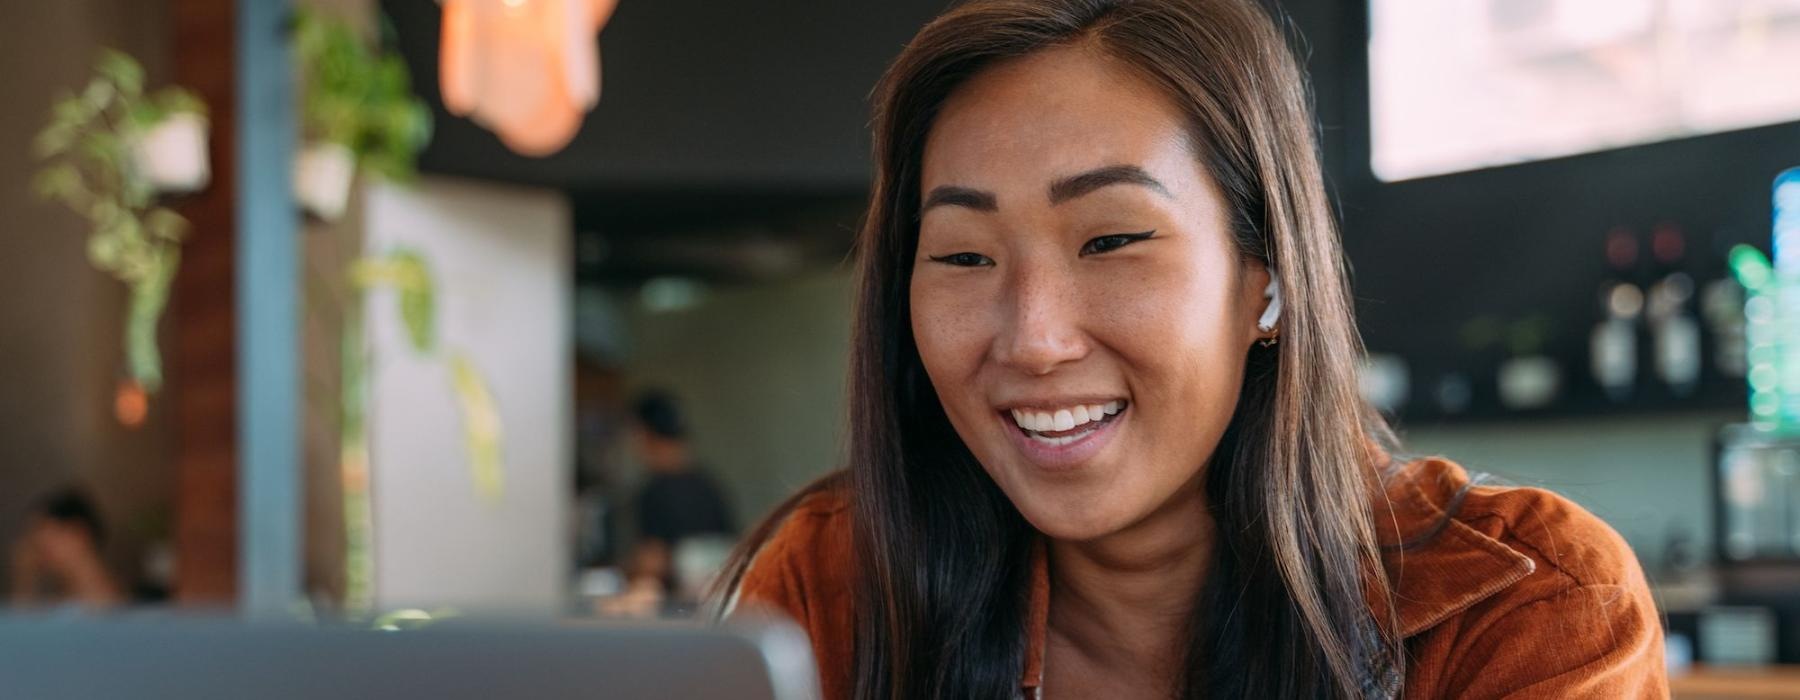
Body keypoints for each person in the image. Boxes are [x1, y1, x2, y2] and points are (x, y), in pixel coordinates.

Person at [716, 1, 1667, 698]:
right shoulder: (834, 585)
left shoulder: (1526, 604)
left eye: (1113, 241)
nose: (1036, 338)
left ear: (1269, 278)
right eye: (964, 255)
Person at [613, 390, 735, 613]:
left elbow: (653, 562)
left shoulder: (655, 491)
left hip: (676, 614)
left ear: (644, 434)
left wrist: (621, 572)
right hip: (716, 611)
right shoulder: (709, 485)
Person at [9, 488, 123, 611]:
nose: (36, 554)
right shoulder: (57, 604)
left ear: (79, 533)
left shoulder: (111, 604)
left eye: (44, 545)